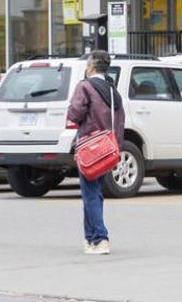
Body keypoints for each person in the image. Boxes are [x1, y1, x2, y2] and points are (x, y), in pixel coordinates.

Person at [67, 50, 125, 255]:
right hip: (107, 148)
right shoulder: (111, 89)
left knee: (90, 193)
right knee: (94, 193)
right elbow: (119, 119)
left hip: (89, 148)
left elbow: (75, 113)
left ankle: (101, 238)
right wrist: (117, 145)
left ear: (91, 66)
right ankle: (90, 238)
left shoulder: (85, 86)